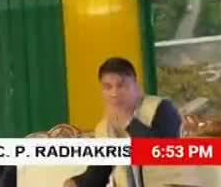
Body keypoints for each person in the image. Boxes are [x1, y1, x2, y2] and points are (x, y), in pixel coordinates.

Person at [65, 57, 183, 187]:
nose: (114, 93)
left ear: (136, 86)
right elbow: (99, 174)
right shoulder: (104, 128)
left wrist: (128, 122)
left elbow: (163, 155)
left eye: (121, 86)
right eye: (107, 87)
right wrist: (76, 183)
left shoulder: (161, 108)